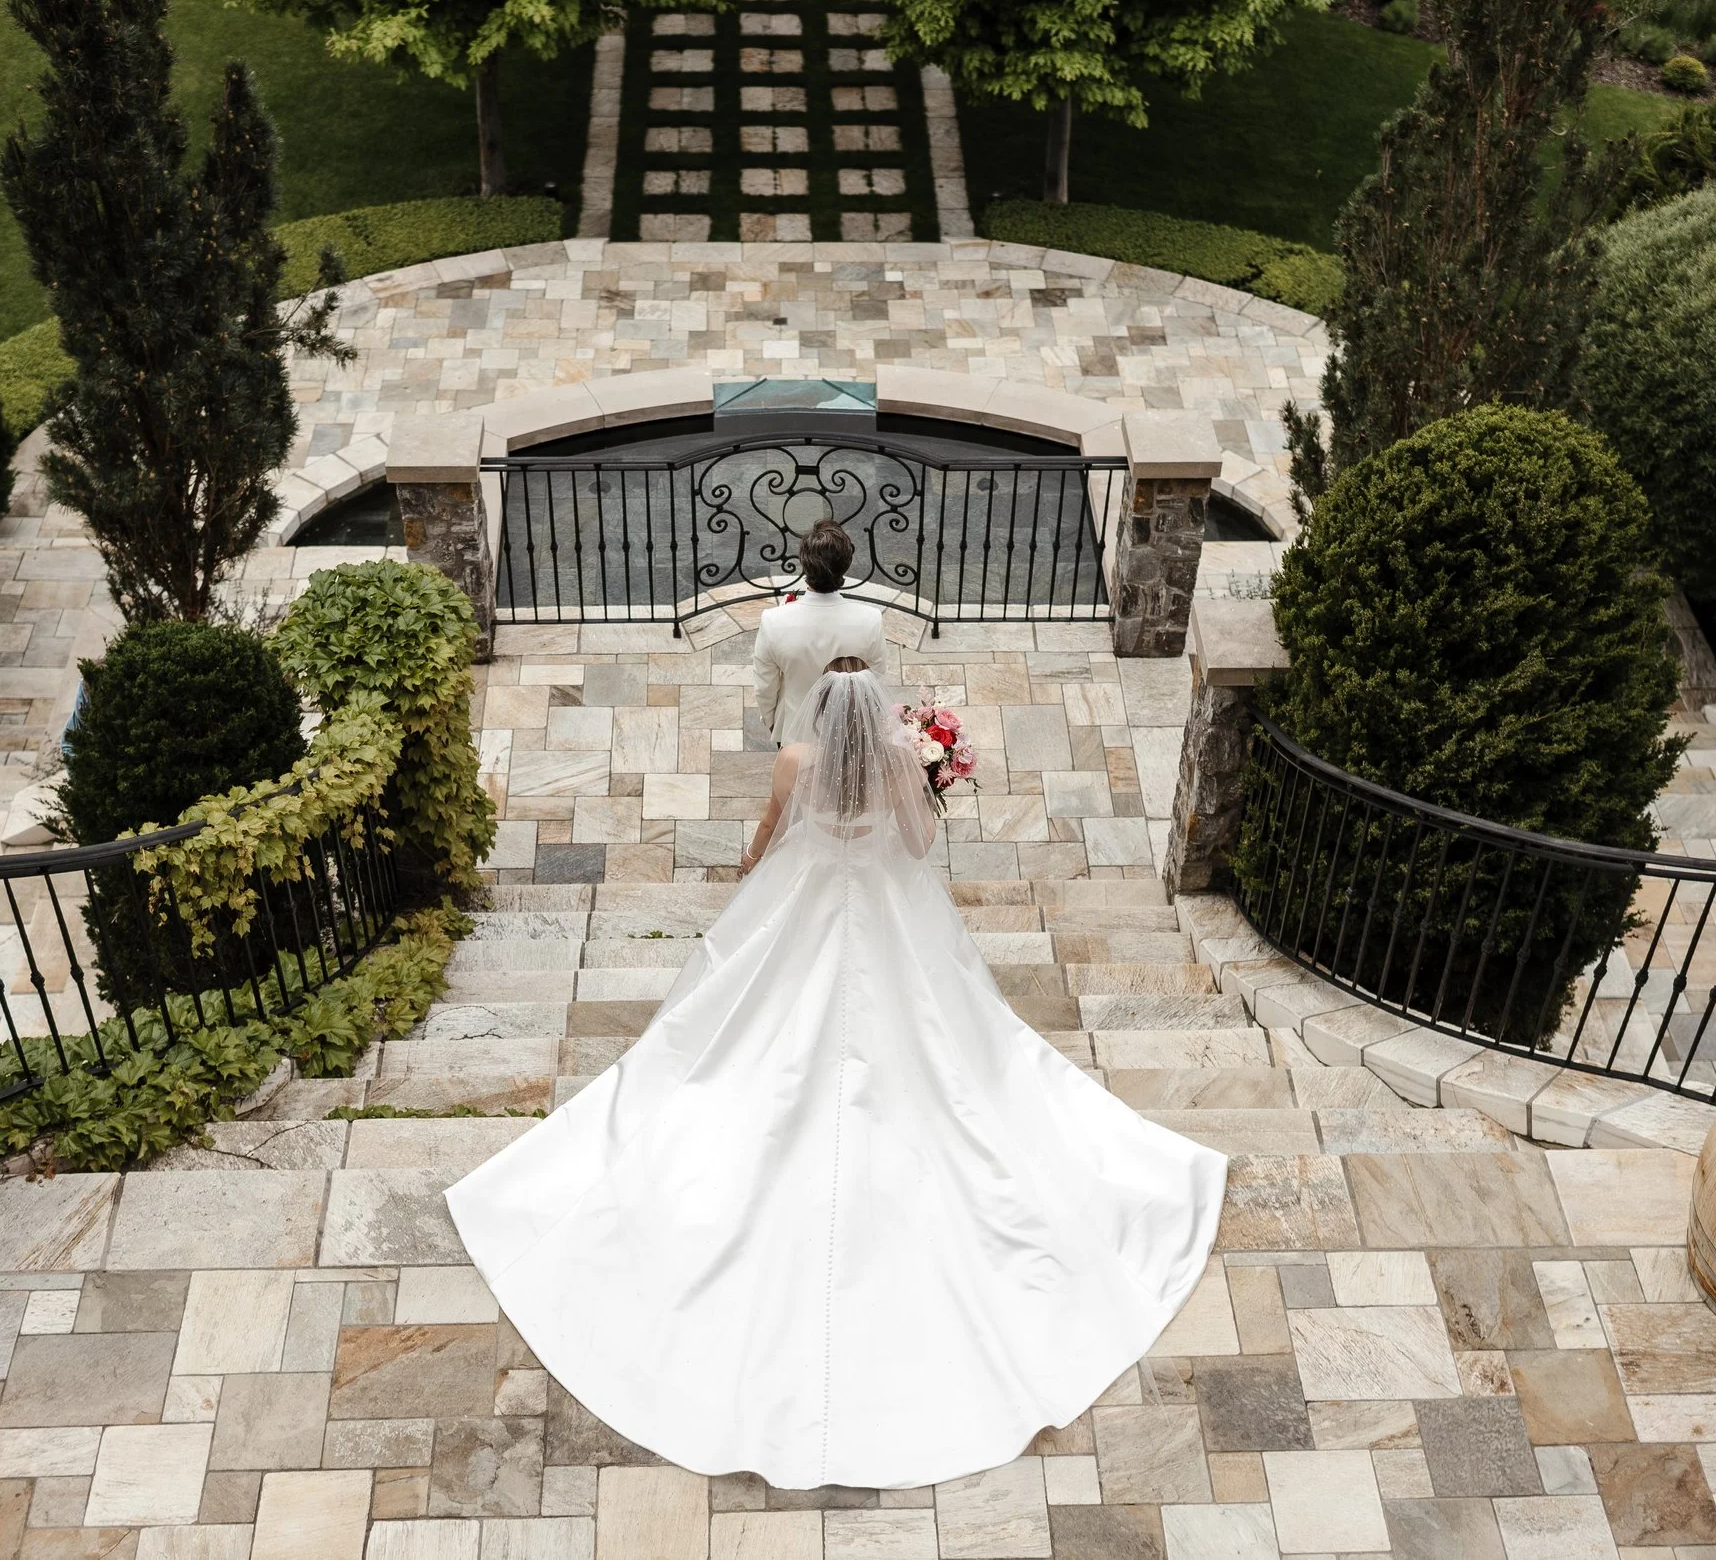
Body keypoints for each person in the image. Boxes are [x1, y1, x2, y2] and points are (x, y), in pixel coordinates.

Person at [445, 661, 1226, 1490]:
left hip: (806, 904)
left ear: (821, 715)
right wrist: (927, 778)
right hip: (889, 911)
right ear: (881, 721)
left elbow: (773, 831)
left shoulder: (794, 762)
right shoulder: (897, 766)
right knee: (951, 1053)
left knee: (737, 1035)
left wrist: (748, 866)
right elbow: (920, 846)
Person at [751, 520, 895, 746]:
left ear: (804, 564)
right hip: (850, 735)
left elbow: (765, 686)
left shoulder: (773, 621)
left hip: (795, 733)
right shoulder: (870, 620)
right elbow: (875, 682)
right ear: (845, 565)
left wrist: (772, 722)